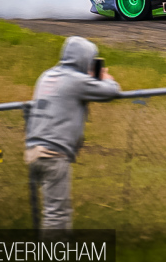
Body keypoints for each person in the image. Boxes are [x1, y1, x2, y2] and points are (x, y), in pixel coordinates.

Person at [24, 36, 121, 231]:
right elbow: (112, 91)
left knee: (53, 211)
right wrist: (105, 78)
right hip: (53, 154)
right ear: (83, 59)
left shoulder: (47, 75)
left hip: (33, 150)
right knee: (56, 215)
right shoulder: (76, 80)